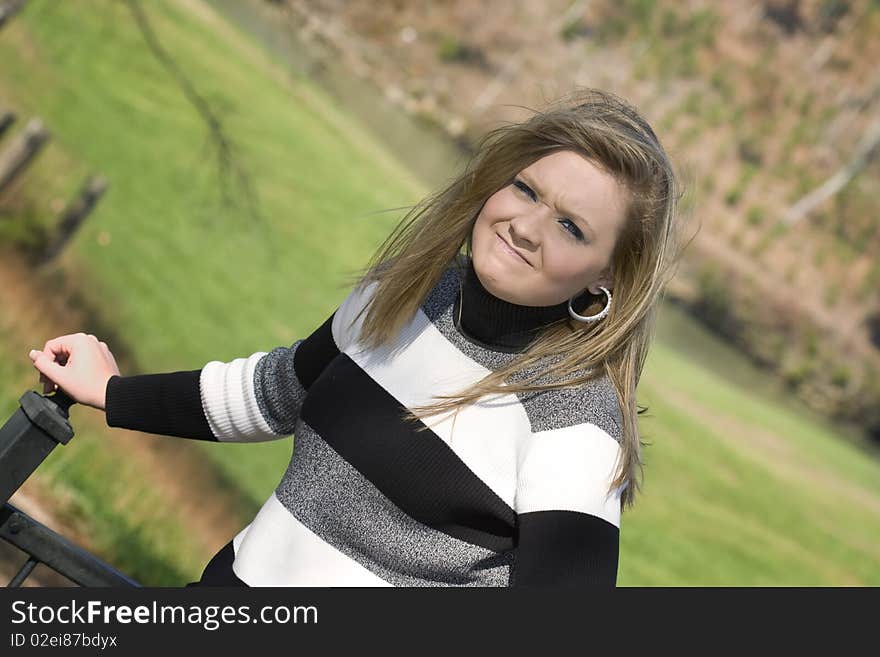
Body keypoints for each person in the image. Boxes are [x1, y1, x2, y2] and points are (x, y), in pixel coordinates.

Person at [27, 87, 689, 588]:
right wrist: (113, 392)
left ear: (606, 277)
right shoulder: (408, 291)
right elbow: (276, 393)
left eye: (572, 226)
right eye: (526, 188)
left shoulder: (576, 423)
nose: (527, 224)